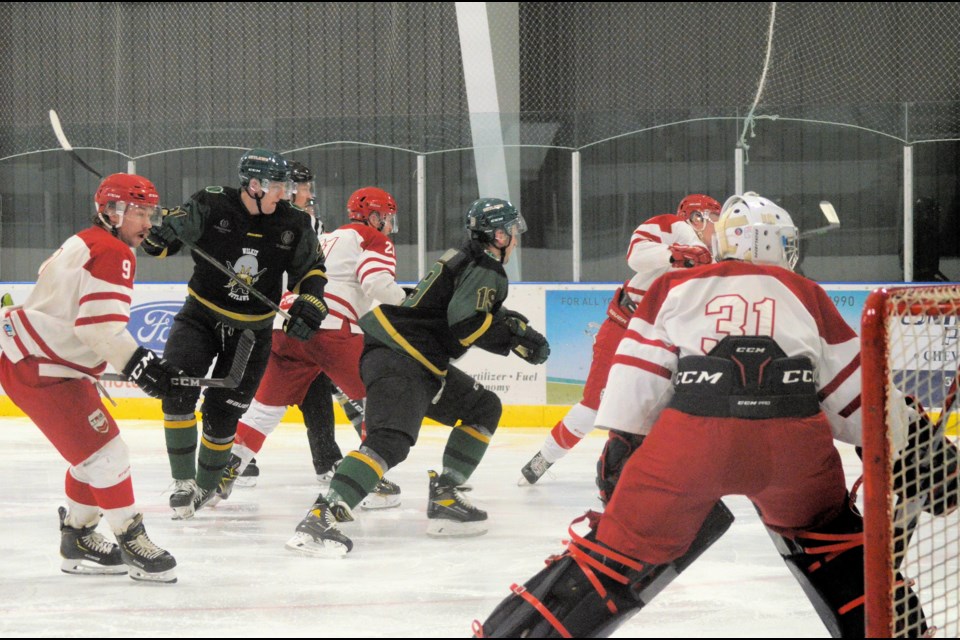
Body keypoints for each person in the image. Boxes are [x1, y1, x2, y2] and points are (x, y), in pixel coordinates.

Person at [477, 192, 931, 638]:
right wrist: (916, 444)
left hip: (689, 447)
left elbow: (637, 384)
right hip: (794, 451)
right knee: (834, 543)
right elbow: (857, 397)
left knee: (610, 559)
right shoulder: (808, 293)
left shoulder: (673, 286)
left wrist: (625, 445)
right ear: (777, 243)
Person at [285, 197, 550, 558]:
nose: (516, 238)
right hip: (403, 357)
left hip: (411, 358)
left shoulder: (466, 256)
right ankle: (320, 517)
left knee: (482, 407)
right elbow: (466, 321)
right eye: (513, 231)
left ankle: (446, 495)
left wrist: (512, 326)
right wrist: (514, 338)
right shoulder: (487, 266)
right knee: (389, 441)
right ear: (499, 235)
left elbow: (464, 309)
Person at [0, 173, 181, 583]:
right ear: (112, 212)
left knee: (92, 455)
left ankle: (78, 538)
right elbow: (97, 329)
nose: (148, 224)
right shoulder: (114, 252)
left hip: (40, 360)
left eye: (150, 212)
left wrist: (138, 362)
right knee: (107, 455)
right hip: (42, 367)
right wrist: (141, 365)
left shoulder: (85, 240)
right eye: (139, 213)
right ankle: (131, 540)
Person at [141, 148, 329, 520]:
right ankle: (183, 483)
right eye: (278, 185)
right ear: (255, 185)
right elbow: (157, 246)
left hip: (252, 332)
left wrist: (311, 302)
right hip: (200, 318)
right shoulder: (211, 204)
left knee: (223, 414)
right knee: (177, 388)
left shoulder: (294, 223)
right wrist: (158, 236)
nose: (285, 193)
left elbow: (312, 270)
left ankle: (207, 485)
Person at [217, 185, 406, 509]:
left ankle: (221, 473)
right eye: (386, 217)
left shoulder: (328, 237)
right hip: (329, 326)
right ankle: (368, 480)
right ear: (374, 217)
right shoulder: (374, 239)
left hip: (287, 324)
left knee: (265, 409)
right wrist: (408, 302)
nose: (389, 225)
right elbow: (375, 283)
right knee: (379, 397)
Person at [519, 194, 719, 486]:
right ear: (696, 217)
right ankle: (544, 458)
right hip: (624, 327)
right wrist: (676, 253)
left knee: (662, 412)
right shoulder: (672, 225)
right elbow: (636, 255)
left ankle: (651, 471)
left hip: (664, 341)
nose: (718, 225)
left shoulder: (717, 258)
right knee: (593, 407)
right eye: (713, 217)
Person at [234, 162, 365, 488]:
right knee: (253, 394)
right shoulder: (267, 220)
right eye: (305, 187)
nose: (311, 193)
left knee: (316, 387)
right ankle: (231, 457)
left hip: (303, 320)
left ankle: (327, 460)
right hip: (270, 321)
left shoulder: (312, 223)